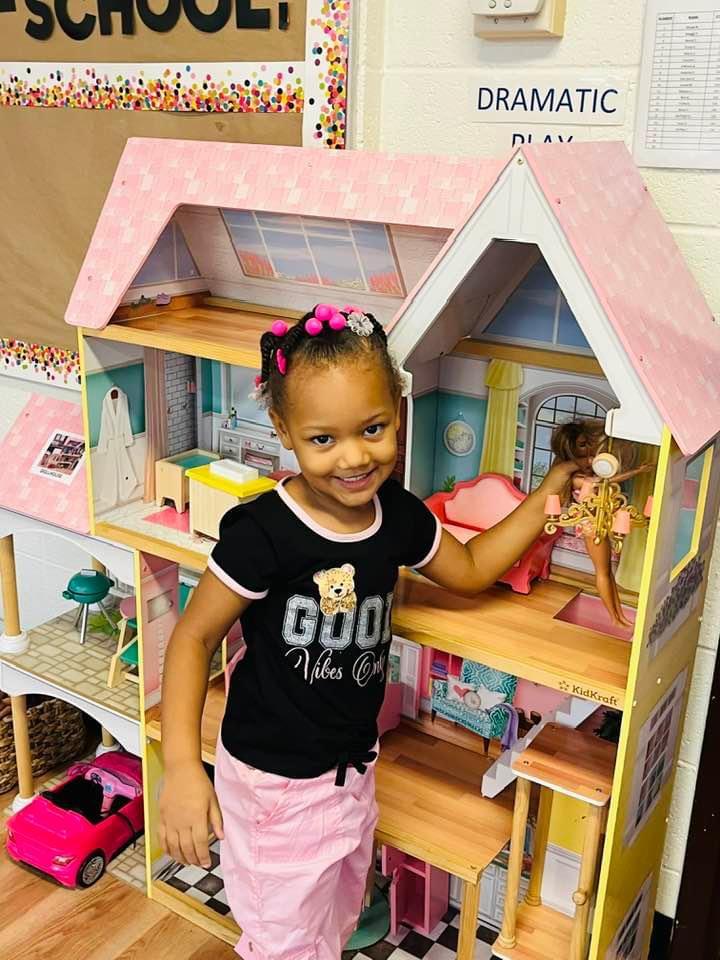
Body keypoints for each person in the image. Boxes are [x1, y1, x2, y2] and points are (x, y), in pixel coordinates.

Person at [158, 304, 578, 960]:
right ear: (285, 431)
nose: (354, 457)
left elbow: (470, 569)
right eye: (323, 439)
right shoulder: (263, 534)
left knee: (334, 922)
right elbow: (191, 640)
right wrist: (183, 768)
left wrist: (551, 488)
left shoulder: (397, 516)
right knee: (282, 946)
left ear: (397, 412)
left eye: (373, 428)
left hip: (353, 770)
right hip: (274, 785)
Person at [550, 419, 646, 628]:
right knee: (602, 572)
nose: (588, 448)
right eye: (582, 445)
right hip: (592, 526)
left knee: (608, 571)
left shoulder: (589, 472)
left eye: (587, 443)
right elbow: (606, 481)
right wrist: (636, 471)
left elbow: (606, 480)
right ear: (571, 449)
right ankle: (614, 618)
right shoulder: (576, 478)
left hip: (601, 521)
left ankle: (619, 615)